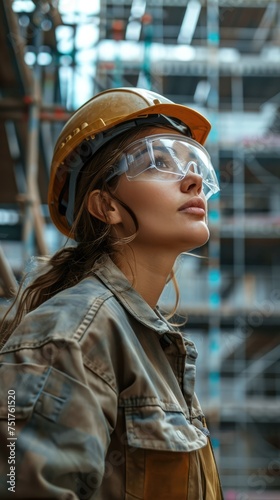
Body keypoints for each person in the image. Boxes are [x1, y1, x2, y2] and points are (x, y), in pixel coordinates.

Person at [0, 87, 223, 499]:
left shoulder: (149, 343)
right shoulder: (72, 335)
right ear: (107, 207)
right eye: (159, 162)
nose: (193, 179)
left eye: (194, 163)